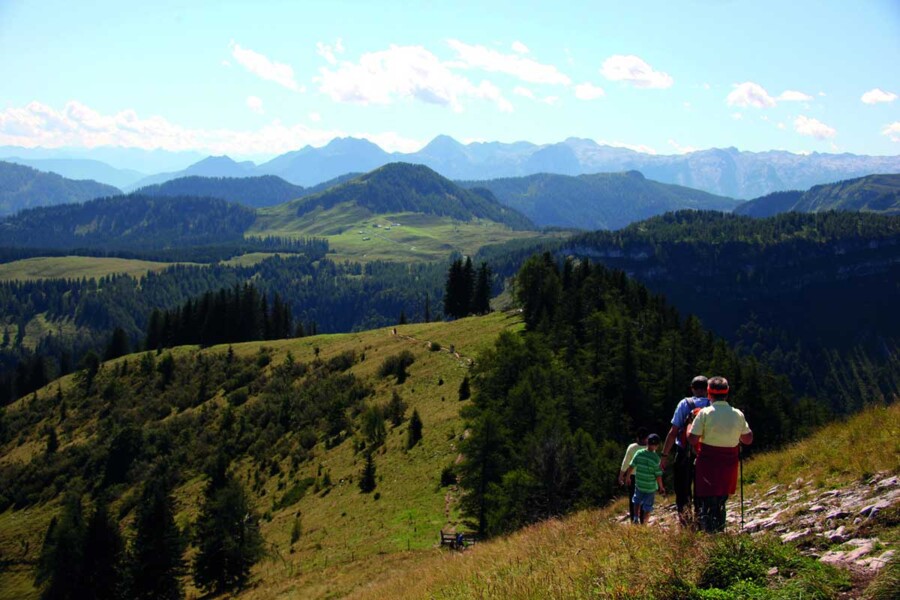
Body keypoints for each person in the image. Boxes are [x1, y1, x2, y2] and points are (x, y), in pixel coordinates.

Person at [689, 376, 753, 533]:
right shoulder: (737, 414)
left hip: (708, 464)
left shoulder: (704, 413)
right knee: (721, 500)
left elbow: (692, 439)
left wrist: (690, 424)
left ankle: (710, 534)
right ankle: (719, 531)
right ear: (727, 393)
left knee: (707, 501)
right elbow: (748, 439)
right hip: (728, 464)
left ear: (709, 393)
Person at [660, 375, 710, 525]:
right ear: (707, 389)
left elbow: (673, 431)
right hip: (705, 452)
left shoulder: (684, 404)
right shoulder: (712, 405)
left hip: (684, 452)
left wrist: (664, 455)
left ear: (692, 389)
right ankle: (703, 519)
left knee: (682, 489)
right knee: (703, 488)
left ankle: (685, 522)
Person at [625, 433, 666, 525]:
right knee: (647, 507)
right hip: (650, 487)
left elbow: (631, 465)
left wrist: (628, 477)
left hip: (639, 484)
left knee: (637, 500)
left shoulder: (639, 453)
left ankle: (635, 518)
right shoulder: (656, 459)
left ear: (647, 442)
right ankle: (644, 524)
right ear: (657, 446)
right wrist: (661, 487)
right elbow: (658, 475)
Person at [618, 427, 649, 523]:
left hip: (632, 477)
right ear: (647, 438)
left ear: (637, 438)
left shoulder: (632, 447)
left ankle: (633, 520)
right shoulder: (650, 448)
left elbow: (625, 463)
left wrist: (621, 476)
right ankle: (643, 521)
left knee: (633, 499)